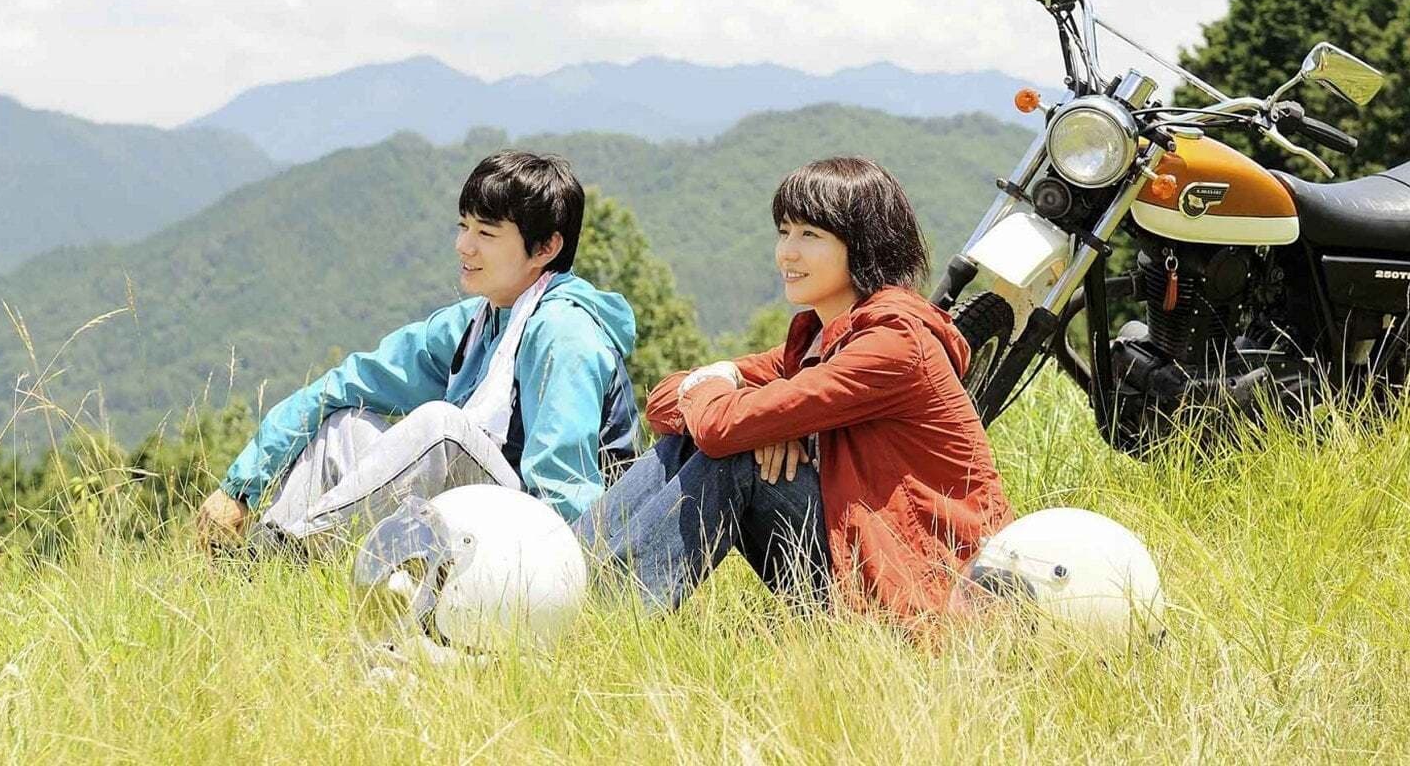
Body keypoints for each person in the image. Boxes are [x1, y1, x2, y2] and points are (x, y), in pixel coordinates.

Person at [574, 156, 1009, 620]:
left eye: (810, 235)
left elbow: (720, 427)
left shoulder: (894, 344)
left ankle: (601, 615)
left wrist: (745, 417)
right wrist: (750, 414)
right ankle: (563, 576)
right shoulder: (818, 343)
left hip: (914, 592)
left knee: (735, 453)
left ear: (864, 244)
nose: (787, 252)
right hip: (854, 552)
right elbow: (664, 400)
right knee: (697, 439)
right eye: (784, 232)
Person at [195, 150, 638, 549]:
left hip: (547, 543)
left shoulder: (565, 333)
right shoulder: (478, 321)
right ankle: (265, 566)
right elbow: (345, 384)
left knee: (442, 426)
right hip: (482, 513)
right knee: (343, 427)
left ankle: (291, 549)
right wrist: (240, 487)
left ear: (546, 248)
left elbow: (565, 495)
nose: (463, 246)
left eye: (486, 232)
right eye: (463, 226)